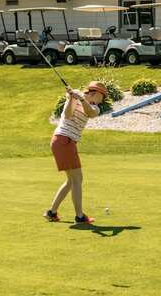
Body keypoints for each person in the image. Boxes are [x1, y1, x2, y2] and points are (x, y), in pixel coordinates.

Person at [44, 81, 108, 224]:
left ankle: (51, 212)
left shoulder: (94, 107)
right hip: (63, 140)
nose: (102, 100)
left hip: (65, 142)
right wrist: (71, 98)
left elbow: (90, 113)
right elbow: (67, 115)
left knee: (71, 181)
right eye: (102, 96)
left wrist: (80, 98)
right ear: (96, 93)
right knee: (77, 179)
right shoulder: (76, 98)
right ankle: (79, 217)